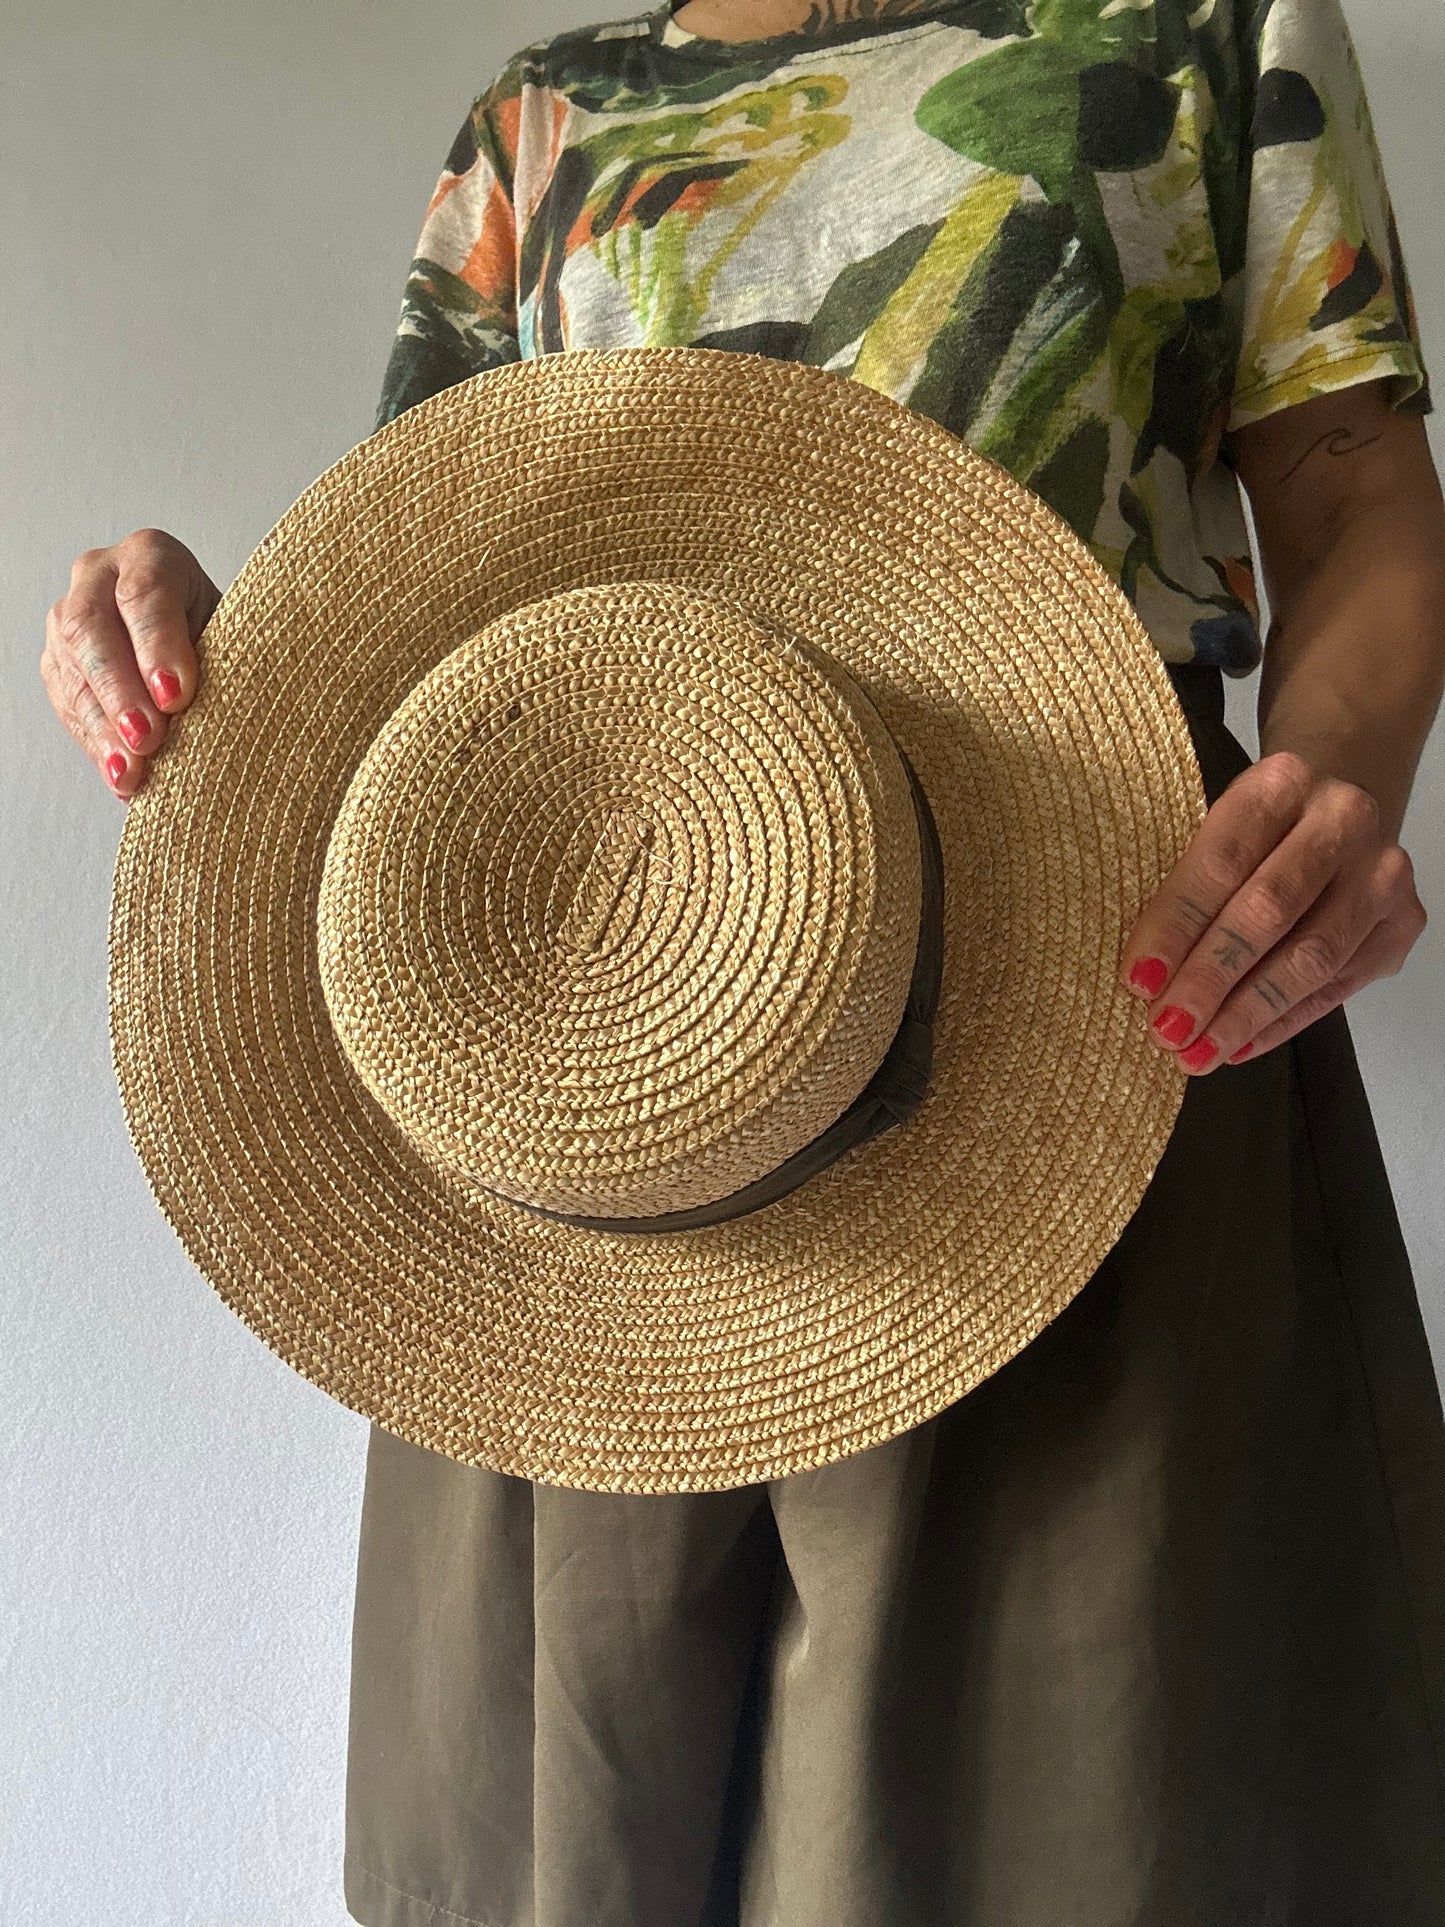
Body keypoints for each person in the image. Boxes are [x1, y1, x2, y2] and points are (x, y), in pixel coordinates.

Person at [41, 0, 1445, 1920]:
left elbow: (1354, 484)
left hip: (1101, 1010)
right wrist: (233, 693)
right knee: (583, 1831)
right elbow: (445, 580)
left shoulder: (1200, 27)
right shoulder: (541, 120)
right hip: (617, 1111)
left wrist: (1331, 793)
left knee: (1092, 1818)